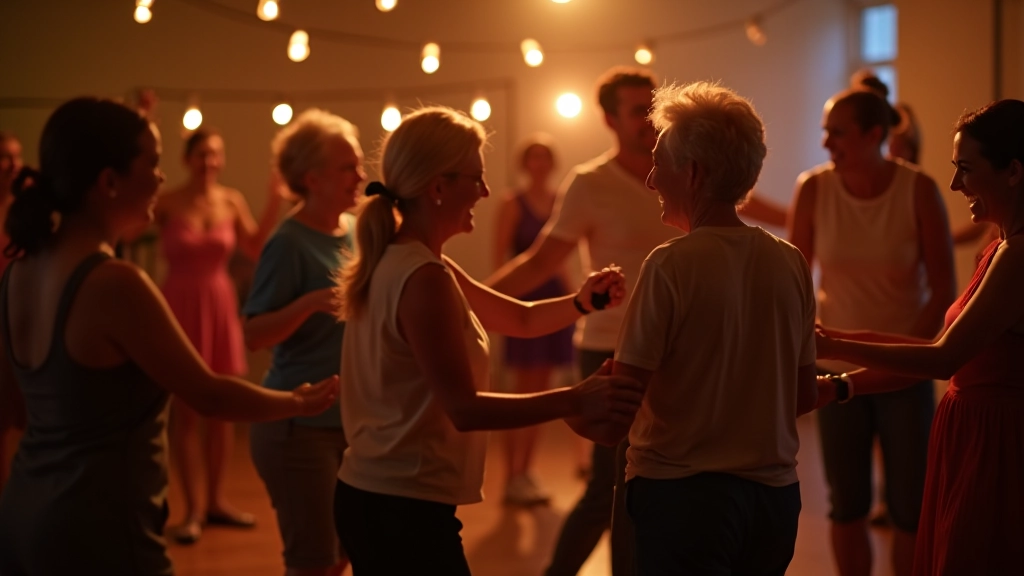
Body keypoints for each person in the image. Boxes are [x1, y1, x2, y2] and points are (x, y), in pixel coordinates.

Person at [0, 97, 338, 576]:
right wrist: (297, 403)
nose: (161, 178)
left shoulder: (17, 274)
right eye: (152, 164)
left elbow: (12, 410)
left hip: (23, 512)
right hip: (97, 529)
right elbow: (209, 396)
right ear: (109, 182)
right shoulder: (115, 283)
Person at [332, 106, 645, 575]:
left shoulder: (413, 259)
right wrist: (575, 399)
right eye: (474, 179)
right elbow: (465, 409)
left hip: (384, 497)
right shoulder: (423, 277)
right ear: (438, 188)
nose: (485, 191)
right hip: (401, 506)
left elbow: (517, 318)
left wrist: (583, 302)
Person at [610, 80, 818, 576]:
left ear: (694, 172)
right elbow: (803, 394)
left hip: (683, 498)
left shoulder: (669, 265)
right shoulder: (790, 262)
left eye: (660, 162)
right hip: (773, 501)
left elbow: (622, 398)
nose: (651, 179)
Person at [815, 98, 1024, 576]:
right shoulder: (997, 250)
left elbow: (940, 358)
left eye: (966, 169)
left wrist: (833, 348)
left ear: (1012, 171)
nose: (955, 184)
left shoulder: (1017, 256)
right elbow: (933, 351)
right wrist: (837, 364)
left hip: (997, 446)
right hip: (974, 436)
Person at [488, 66, 675, 576]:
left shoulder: (681, 172)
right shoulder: (590, 183)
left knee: (656, 485)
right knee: (609, 485)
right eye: (638, 109)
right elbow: (541, 260)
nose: (649, 119)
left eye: (653, 106)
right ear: (610, 119)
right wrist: (477, 300)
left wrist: (796, 219)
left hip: (676, 349)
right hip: (610, 345)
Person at [789, 88, 956, 576]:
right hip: (834, 370)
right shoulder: (814, 188)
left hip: (904, 373)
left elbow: (944, 289)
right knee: (848, 504)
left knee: (910, 508)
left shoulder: (918, 189)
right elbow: (797, 281)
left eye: (837, 132)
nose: (826, 142)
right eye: (826, 131)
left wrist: (904, 355)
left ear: (875, 135)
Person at [243, 109, 364, 576]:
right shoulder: (288, 242)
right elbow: (254, 334)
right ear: (311, 178)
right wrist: (311, 302)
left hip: (349, 422)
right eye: (347, 167)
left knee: (341, 555)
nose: (360, 176)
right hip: (298, 426)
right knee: (314, 562)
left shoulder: (354, 231)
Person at [154, 127, 284, 543]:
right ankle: (191, 508)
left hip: (219, 301)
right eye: (202, 154)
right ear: (186, 158)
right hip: (178, 304)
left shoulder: (230, 200)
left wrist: (275, 199)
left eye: (216, 154)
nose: (209, 162)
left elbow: (254, 245)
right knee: (188, 411)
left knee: (223, 411)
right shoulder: (168, 202)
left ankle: (216, 501)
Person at [492, 135, 575, 506]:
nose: (539, 163)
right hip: (524, 298)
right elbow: (501, 261)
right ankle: (511, 475)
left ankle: (527, 472)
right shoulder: (512, 203)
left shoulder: (561, 201)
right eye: (533, 157)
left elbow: (563, 257)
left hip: (554, 295)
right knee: (521, 392)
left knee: (543, 392)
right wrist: (500, 304)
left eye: (545, 156)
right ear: (524, 163)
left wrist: (579, 301)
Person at [0, 132, 23, 494]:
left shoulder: (27, 212)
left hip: (20, 317)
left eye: (16, 157)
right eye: (5, 157)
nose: (13, 164)